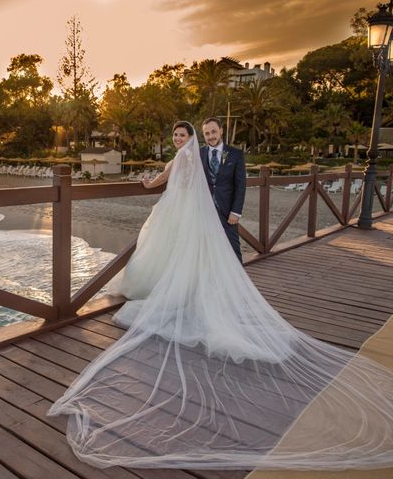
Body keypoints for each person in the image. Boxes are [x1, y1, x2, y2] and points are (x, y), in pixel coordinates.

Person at [47, 121, 393, 471]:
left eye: (188, 135)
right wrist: (150, 183)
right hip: (192, 216)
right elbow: (167, 176)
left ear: (210, 135)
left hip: (214, 215)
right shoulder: (192, 155)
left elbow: (233, 183)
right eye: (179, 135)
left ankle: (211, 291)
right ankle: (194, 290)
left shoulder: (225, 155)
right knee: (190, 258)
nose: (184, 139)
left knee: (215, 258)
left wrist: (232, 210)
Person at [200, 117, 246, 263]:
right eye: (207, 133)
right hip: (204, 211)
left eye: (213, 131)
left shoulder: (235, 154)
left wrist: (236, 211)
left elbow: (241, 185)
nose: (211, 136)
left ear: (221, 130)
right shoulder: (198, 153)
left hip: (227, 212)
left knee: (233, 250)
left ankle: (239, 282)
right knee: (207, 251)